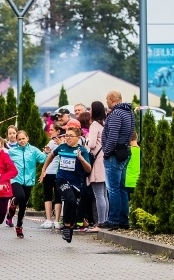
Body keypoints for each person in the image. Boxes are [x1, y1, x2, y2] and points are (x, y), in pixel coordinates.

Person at [40, 128, 92, 243]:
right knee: (69, 199)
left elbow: (89, 169)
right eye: (66, 135)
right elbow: (51, 156)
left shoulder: (82, 150)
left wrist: (81, 159)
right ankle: (67, 227)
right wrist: (44, 169)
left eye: (71, 136)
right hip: (61, 180)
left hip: (77, 184)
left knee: (73, 204)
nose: (67, 138)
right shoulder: (62, 147)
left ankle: (70, 224)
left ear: (78, 138)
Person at [100, 90, 135, 230]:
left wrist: (106, 152)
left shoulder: (116, 114)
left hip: (114, 154)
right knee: (121, 188)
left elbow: (113, 136)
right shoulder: (129, 112)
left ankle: (114, 219)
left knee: (113, 188)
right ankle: (123, 220)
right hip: (124, 152)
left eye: (107, 99)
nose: (106, 102)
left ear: (111, 99)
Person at [5, 130, 47, 237]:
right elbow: (4, 161)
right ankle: (13, 203)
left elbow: (44, 159)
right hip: (15, 179)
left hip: (28, 181)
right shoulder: (12, 151)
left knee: (23, 205)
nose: (22, 141)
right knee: (20, 196)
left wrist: (47, 153)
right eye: (19, 139)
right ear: (17, 141)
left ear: (27, 138)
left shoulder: (33, 150)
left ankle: (19, 226)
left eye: (23, 138)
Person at [86, 101, 108, 232]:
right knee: (104, 194)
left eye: (91, 109)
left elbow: (92, 144)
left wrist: (87, 139)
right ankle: (105, 222)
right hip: (104, 160)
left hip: (97, 162)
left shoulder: (94, 125)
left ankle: (100, 223)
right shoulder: (104, 124)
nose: (89, 111)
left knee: (99, 194)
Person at [40, 123, 63, 229]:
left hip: (51, 172)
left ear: (58, 131)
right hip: (56, 172)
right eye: (49, 129)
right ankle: (56, 221)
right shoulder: (63, 142)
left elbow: (46, 155)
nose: (50, 131)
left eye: (52, 130)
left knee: (48, 195)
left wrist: (45, 151)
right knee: (57, 196)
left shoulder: (53, 142)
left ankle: (49, 220)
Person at [125, 131, 141, 201]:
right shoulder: (141, 151)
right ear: (136, 138)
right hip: (138, 182)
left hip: (127, 182)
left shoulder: (127, 151)